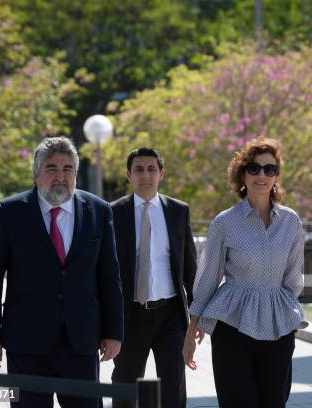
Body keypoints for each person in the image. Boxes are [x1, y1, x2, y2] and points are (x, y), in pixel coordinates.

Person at [0, 137, 123, 408]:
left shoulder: (99, 212)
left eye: (68, 169)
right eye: (51, 168)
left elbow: (109, 276)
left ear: (76, 175)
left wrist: (113, 331)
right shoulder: (9, 212)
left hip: (81, 341)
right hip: (26, 342)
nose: (60, 176)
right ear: (35, 173)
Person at [183, 137, 307, 408]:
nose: (262, 175)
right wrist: (192, 329)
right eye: (254, 168)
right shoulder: (225, 223)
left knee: (274, 402)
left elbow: (293, 279)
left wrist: (286, 314)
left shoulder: (291, 222)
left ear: (276, 176)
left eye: (269, 169)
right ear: (242, 174)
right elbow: (207, 278)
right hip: (232, 326)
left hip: (278, 327)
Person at [110, 147, 197, 408]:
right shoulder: (112, 213)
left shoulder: (178, 211)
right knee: (125, 388)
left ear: (161, 173)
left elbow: (190, 266)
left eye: (151, 169)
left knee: (173, 390)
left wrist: (197, 315)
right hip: (130, 315)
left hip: (170, 315)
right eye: (138, 169)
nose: (145, 175)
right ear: (129, 175)